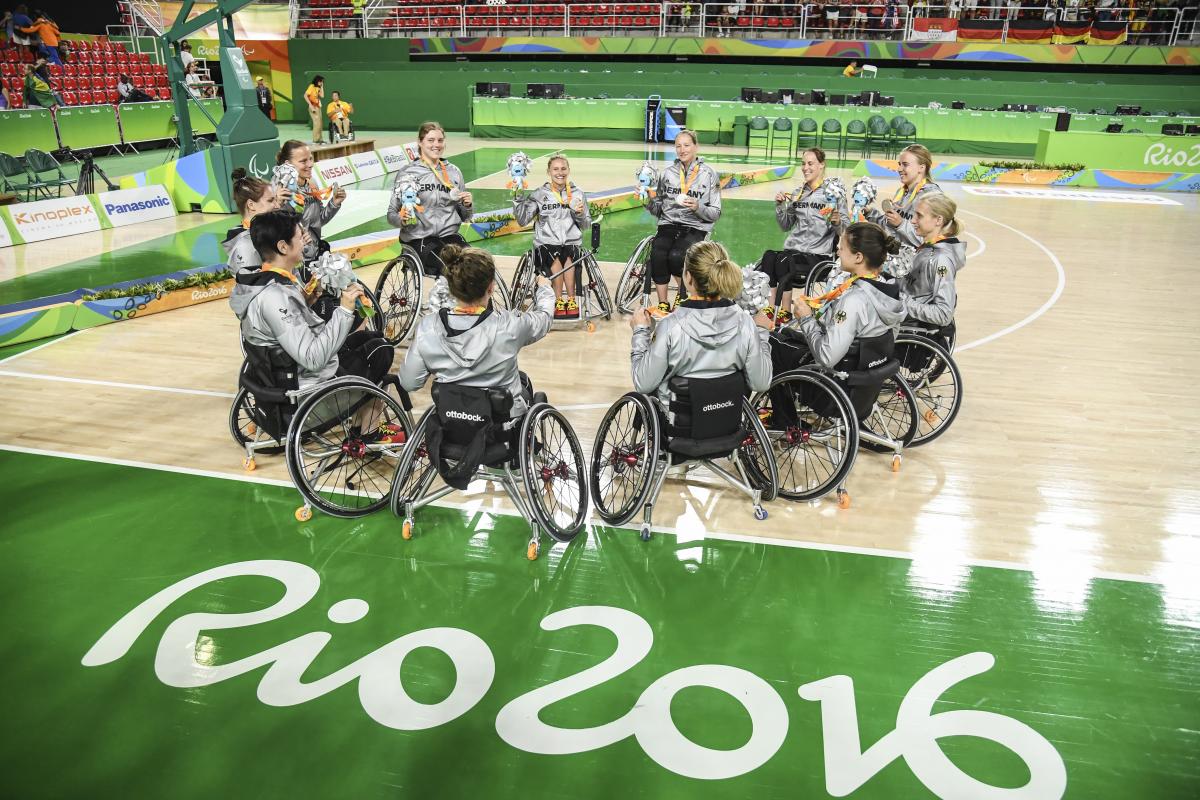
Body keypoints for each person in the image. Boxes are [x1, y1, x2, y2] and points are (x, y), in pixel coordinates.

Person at [233, 209, 396, 400]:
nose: (305, 241)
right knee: (380, 350)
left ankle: (363, 425)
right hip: (308, 389)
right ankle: (367, 429)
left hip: (293, 371)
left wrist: (305, 301)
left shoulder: (266, 280)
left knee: (370, 337)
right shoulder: (275, 297)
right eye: (299, 237)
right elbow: (313, 359)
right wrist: (345, 309)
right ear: (283, 247)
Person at [399, 245, 554, 424]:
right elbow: (544, 318)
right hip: (501, 423)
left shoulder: (428, 326)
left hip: (452, 423)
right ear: (490, 288)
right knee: (523, 383)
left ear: (452, 287)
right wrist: (544, 289)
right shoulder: (508, 325)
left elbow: (409, 382)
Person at [628, 240, 773, 413]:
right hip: (728, 424)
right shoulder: (745, 323)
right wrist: (762, 332)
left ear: (688, 277)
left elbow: (642, 383)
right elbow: (761, 382)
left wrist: (641, 331)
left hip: (678, 428)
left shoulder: (670, 326)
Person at [786, 222, 905, 371]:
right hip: (864, 373)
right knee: (785, 333)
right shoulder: (888, 288)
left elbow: (826, 357)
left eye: (841, 248)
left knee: (774, 342)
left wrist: (806, 319)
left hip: (834, 377)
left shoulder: (854, 300)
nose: (837, 251)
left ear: (858, 257)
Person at [757, 147, 844, 326]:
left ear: (822, 165)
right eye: (803, 164)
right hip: (794, 251)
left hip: (818, 255)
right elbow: (785, 225)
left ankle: (786, 312)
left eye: (810, 163)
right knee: (768, 256)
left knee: (783, 260)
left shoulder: (833, 194)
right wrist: (780, 206)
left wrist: (837, 222)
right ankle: (771, 309)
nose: (805, 168)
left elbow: (847, 230)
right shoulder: (798, 192)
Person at [643, 129, 722, 315]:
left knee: (678, 255)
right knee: (658, 253)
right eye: (678, 146)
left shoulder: (709, 174)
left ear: (696, 147)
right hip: (669, 223)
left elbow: (716, 213)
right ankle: (663, 303)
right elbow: (658, 209)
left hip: (696, 225)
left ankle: (683, 295)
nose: (682, 149)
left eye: (686, 145)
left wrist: (698, 207)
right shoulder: (668, 173)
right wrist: (648, 199)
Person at [386, 121, 473, 279]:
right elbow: (391, 213)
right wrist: (402, 219)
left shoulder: (454, 172)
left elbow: (465, 216)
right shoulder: (408, 173)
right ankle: (449, 303)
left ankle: (479, 305)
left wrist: (467, 205)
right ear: (420, 142)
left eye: (440, 140)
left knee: (477, 265)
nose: (436, 145)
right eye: (430, 140)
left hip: (449, 237)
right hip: (419, 238)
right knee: (452, 269)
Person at [512, 154, 591, 320]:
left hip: (571, 242)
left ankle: (571, 300)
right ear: (549, 171)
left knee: (570, 257)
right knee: (555, 258)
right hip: (546, 243)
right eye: (556, 169)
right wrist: (517, 196)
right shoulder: (539, 195)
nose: (560, 172)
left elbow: (585, 225)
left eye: (563, 168)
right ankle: (557, 300)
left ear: (568, 170)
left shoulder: (577, 194)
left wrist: (580, 213)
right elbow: (522, 220)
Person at [899, 193, 965, 347]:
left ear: (938, 220)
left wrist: (902, 302)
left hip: (908, 323)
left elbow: (943, 314)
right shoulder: (927, 247)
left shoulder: (941, 260)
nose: (913, 220)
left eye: (919, 216)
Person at [273, 140, 346, 267]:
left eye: (310, 159)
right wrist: (277, 204)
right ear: (288, 164)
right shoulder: (280, 191)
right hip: (293, 262)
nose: (310, 164)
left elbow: (317, 221)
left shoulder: (311, 183)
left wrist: (334, 203)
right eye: (303, 161)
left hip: (314, 256)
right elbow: (272, 230)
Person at [866, 143, 941, 248]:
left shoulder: (931, 196)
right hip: (896, 257)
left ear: (921, 168)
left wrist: (901, 224)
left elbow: (930, 240)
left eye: (905, 164)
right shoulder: (901, 192)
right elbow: (890, 228)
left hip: (915, 261)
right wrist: (870, 213)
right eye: (899, 164)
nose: (899, 169)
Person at [223, 168, 283, 277]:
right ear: (251, 205)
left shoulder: (264, 233)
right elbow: (253, 290)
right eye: (270, 200)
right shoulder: (246, 247)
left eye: (276, 200)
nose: (277, 206)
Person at [304, 75, 325, 145]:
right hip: (313, 107)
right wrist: (310, 105)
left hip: (318, 107)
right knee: (316, 123)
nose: (321, 82)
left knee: (320, 123)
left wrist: (322, 86)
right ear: (317, 80)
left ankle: (320, 139)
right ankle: (315, 140)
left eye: (322, 82)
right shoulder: (311, 86)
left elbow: (322, 96)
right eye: (321, 81)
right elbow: (305, 95)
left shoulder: (318, 88)